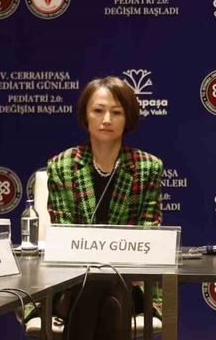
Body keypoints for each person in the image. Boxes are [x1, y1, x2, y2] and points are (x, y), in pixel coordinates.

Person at [46, 76, 163, 339]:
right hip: (74, 283)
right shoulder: (62, 166)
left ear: (128, 117)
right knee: (99, 289)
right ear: (85, 115)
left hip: (130, 282)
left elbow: (148, 233)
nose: (106, 119)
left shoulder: (148, 167)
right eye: (98, 111)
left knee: (109, 286)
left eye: (116, 112)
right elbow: (65, 233)